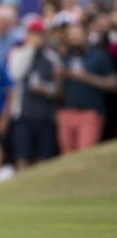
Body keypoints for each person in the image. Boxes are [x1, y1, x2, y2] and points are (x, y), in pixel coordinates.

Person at [56, 22, 117, 154]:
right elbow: (59, 93)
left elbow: (113, 84)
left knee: (84, 155)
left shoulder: (100, 56)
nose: (74, 38)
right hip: (66, 112)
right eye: (71, 35)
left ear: (86, 35)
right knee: (66, 158)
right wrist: (59, 78)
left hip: (90, 113)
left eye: (77, 34)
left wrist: (86, 77)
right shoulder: (65, 58)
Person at [8, 19, 61, 170]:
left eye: (39, 34)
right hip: (24, 115)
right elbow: (16, 74)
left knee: (44, 159)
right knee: (22, 158)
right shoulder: (18, 52)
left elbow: (58, 87)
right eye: (33, 34)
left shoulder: (52, 57)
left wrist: (45, 89)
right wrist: (30, 49)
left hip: (45, 115)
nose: (36, 37)